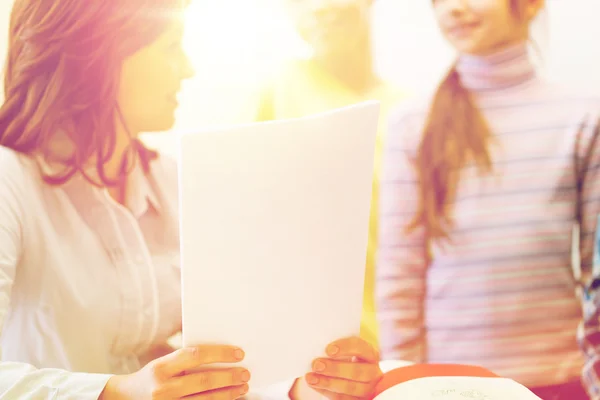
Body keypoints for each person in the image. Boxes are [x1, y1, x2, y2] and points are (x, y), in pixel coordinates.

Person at [0, 0, 382, 399]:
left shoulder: (174, 179)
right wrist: (118, 392)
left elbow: (228, 360)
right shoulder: (10, 179)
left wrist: (305, 386)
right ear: (98, 56)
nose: (188, 69)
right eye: (171, 47)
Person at [376, 0, 600, 399]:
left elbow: (595, 273)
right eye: (439, 1)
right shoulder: (412, 121)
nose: (453, 10)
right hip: (449, 384)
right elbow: (399, 271)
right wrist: (404, 381)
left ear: (530, 5)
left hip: (559, 377)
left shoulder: (583, 116)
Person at [256, 0, 406, 349]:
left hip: (390, 338)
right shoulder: (279, 89)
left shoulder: (407, 110)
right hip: (305, 340)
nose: (317, 9)